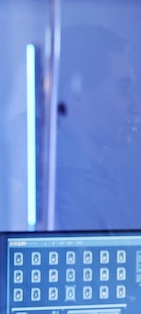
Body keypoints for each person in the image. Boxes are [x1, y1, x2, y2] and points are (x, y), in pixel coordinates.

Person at [55, 24, 141, 230]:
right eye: (122, 88)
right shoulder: (65, 191)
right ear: (77, 96)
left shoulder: (110, 176)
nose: (136, 106)